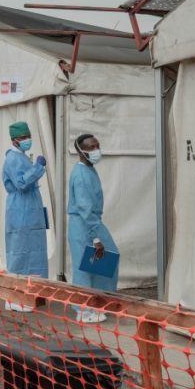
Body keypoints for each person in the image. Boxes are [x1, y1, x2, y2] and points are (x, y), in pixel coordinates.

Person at [67, 134, 119, 323]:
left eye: (97, 145)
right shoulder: (81, 174)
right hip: (83, 224)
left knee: (105, 260)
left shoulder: (89, 170)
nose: (96, 150)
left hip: (91, 221)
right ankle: (84, 309)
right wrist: (96, 238)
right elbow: (84, 208)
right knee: (85, 266)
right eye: (91, 147)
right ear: (81, 151)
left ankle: (97, 304)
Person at [1, 121, 48, 311]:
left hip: (30, 208)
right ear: (13, 140)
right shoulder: (13, 159)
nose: (27, 140)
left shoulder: (22, 157)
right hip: (20, 209)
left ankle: (31, 295)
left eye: (28, 136)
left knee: (34, 252)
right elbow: (21, 183)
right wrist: (37, 167)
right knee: (20, 253)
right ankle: (15, 298)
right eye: (22, 137)